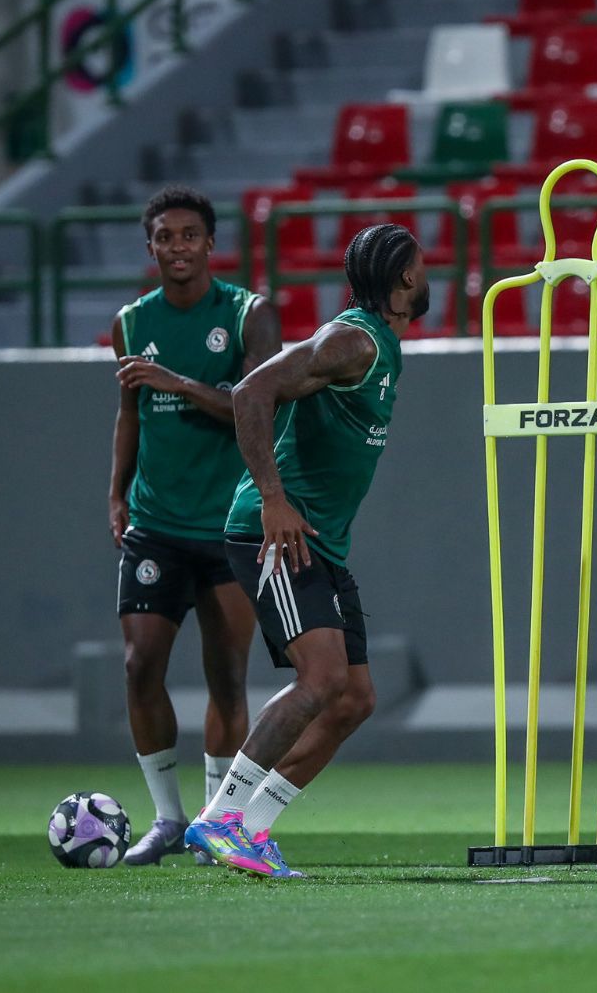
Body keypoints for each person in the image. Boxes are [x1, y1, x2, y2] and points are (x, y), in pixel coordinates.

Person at [183, 223, 430, 879]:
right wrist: (272, 497)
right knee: (319, 679)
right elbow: (249, 391)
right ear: (406, 277)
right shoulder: (353, 341)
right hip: (274, 532)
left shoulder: (378, 346)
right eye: (423, 263)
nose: (428, 273)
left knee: (353, 698)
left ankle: (252, 827)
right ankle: (220, 818)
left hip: (322, 543)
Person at [109, 185, 281, 865]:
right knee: (139, 665)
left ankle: (214, 823)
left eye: (189, 235)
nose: (176, 246)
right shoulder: (131, 321)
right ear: (149, 247)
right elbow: (128, 413)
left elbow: (257, 407)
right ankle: (167, 818)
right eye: (164, 236)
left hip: (227, 523)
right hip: (155, 521)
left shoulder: (247, 315)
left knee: (227, 674)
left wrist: (178, 382)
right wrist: (115, 494)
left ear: (211, 243)